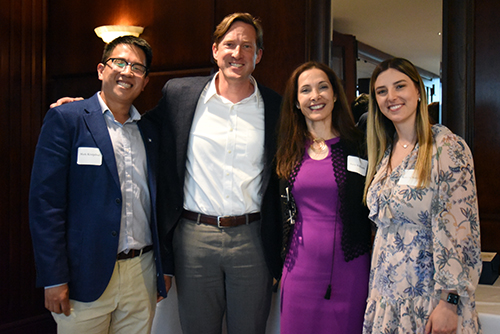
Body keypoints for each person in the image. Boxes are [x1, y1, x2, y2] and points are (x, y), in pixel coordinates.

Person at [144, 13, 282, 334]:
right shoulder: (180, 95)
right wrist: (94, 111)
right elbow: (140, 129)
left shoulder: (276, 106)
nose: (238, 53)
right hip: (194, 238)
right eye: (230, 44)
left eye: (247, 46)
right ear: (215, 50)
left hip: (253, 239)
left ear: (258, 55)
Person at [29, 36, 170, 333]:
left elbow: (161, 202)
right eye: (119, 62)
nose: (127, 71)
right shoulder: (67, 119)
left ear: (145, 82)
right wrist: (54, 277)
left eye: (137, 67)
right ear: (100, 70)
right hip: (84, 275)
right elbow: (46, 205)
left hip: (140, 271)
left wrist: (161, 268)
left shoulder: (150, 131)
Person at [362, 57, 481, 334]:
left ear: (418, 91)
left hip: (429, 299)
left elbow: (460, 232)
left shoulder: (446, 147)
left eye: (399, 86)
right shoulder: (385, 150)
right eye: (382, 91)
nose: (391, 97)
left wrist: (449, 303)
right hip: (386, 295)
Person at [275, 61, 372, 334]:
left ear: (336, 94)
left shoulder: (360, 146)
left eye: (322, 87)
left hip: (351, 270)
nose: (315, 96)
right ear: (296, 102)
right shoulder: (287, 150)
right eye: (305, 90)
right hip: (299, 270)